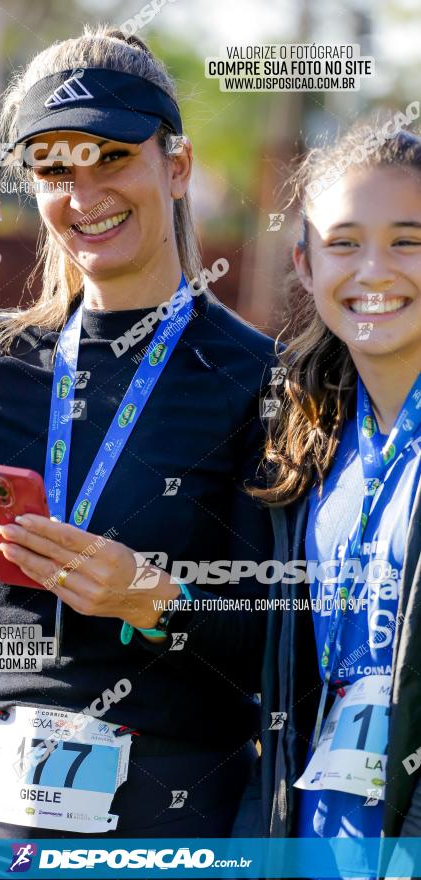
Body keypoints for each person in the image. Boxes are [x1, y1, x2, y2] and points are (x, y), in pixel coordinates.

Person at [0, 24, 275, 854]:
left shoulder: (259, 378)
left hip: (172, 824)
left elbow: (289, 632)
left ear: (173, 166)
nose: (83, 192)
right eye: (53, 166)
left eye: (112, 156)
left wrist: (151, 598)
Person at [256, 122, 421, 867]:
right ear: (305, 260)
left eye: (407, 241)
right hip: (316, 841)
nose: (374, 271)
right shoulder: (304, 439)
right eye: (345, 241)